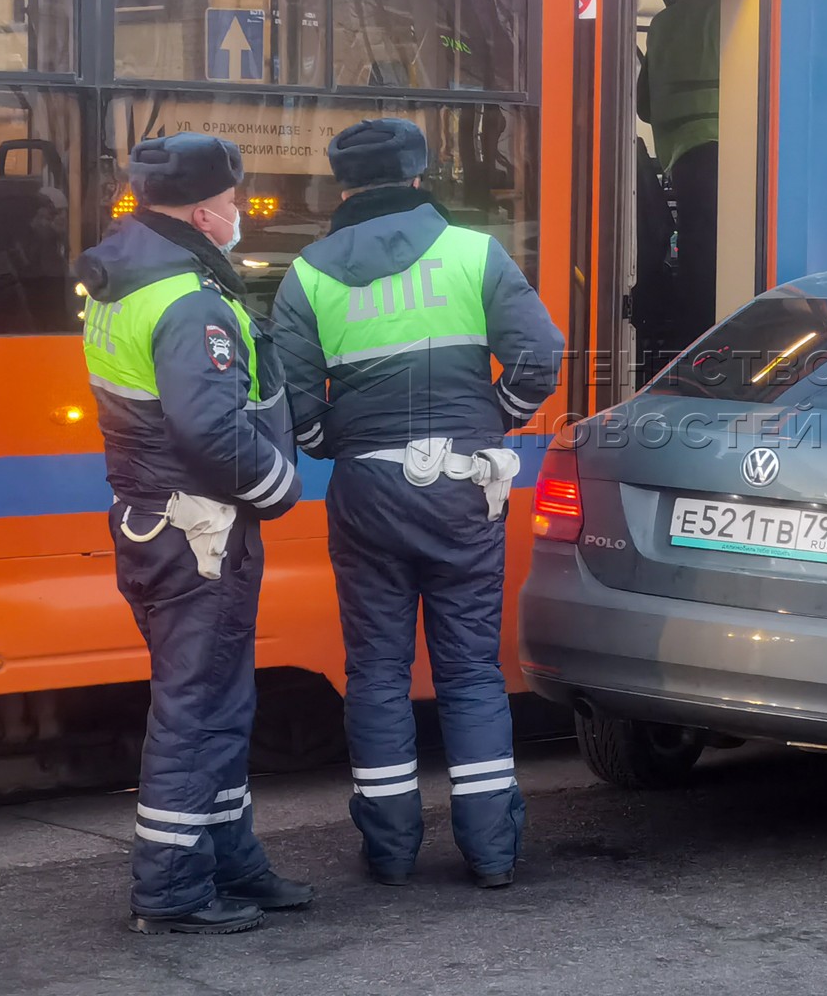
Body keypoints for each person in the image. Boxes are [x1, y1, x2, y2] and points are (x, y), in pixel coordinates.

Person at [270, 118, 563, 889]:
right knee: (469, 671)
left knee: (374, 671)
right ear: (418, 177)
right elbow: (542, 354)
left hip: (366, 489)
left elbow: (295, 407)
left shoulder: (306, 273)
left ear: (341, 188)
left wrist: (336, 441)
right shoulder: (473, 252)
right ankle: (492, 853)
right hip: (465, 483)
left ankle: (391, 852)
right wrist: (494, 413)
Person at [75, 133, 312, 935]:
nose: (242, 214)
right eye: (236, 202)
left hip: (159, 524)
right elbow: (211, 429)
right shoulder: (188, 300)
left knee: (217, 701)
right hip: (201, 531)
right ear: (208, 211)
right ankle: (173, 890)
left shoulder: (123, 277)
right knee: (199, 707)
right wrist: (279, 486)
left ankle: (232, 861)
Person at [637, 0, 720, 353]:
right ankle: (716, 345)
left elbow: (644, 107)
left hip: (685, 155)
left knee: (695, 250)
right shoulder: (739, 13)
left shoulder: (663, 24)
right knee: (720, 256)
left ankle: (692, 340)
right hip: (732, 153)